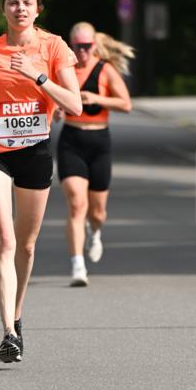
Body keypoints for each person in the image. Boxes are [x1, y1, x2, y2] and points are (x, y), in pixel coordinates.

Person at [0, 0, 81, 363]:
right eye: (13, 3)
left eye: (27, 3)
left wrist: (37, 75)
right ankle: (8, 333)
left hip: (35, 150)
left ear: (38, 9)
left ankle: (17, 314)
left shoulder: (54, 47)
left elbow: (75, 105)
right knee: (6, 239)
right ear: (3, 9)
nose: (20, 9)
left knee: (27, 245)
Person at [57, 22, 133, 286]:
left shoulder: (105, 69)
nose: (82, 51)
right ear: (71, 45)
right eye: (77, 46)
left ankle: (95, 231)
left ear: (94, 45)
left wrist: (97, 98)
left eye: (87, 46)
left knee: (97, 211)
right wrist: (55, 109)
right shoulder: (63, 69)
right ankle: (77, 265)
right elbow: (50, 98)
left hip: (99, 141)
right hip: (71, 140)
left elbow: (126, 104)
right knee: (77, 203)